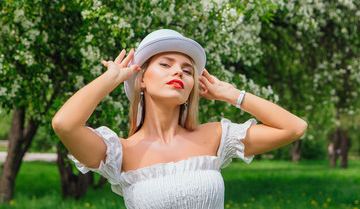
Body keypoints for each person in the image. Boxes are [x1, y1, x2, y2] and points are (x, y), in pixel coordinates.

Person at [52, 29, 307, 208]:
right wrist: (111, 79)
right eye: (165, 64)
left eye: (187, 70)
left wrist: (233, 95)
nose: (178, 71)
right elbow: (64, 124)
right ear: (142, 81)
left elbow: (294, 127)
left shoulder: (215, 136)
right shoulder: (120, 153)